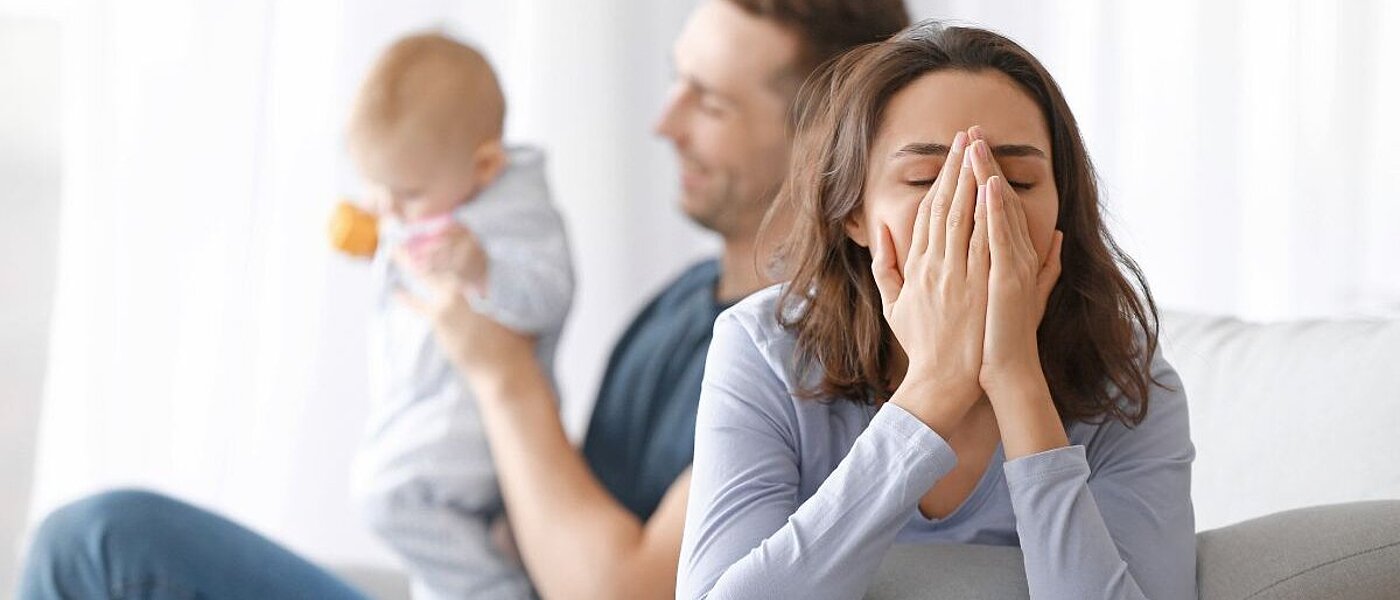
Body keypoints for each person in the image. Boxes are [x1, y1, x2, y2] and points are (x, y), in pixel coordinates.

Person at [16, 2, 909, 599]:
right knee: (97, 536)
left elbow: (622, 590)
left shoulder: (816, 353)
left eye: (707, 102)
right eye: (677, 81)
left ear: (816, 139)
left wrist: (497, 369)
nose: (663, 119)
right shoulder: (687, 303)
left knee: (98, 542)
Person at [677, 21, 1197, 600]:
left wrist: (1017, 379)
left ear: (1061, 209)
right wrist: (935, 387)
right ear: (853, 214)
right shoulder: (763, 349)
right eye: (928, 179)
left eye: (1019, 182)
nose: (976, 210)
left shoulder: (1127, 383)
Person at [344, 32, 573, 600]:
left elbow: (551, 295)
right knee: (431, 546)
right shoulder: (437, 190)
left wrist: (483, 271)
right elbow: (405, 233)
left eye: (406, 193)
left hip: (478, 417)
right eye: (376, 189)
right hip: (425, 403)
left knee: (387, 493)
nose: (388, 210)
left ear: (486, 164)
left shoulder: (519, 213)